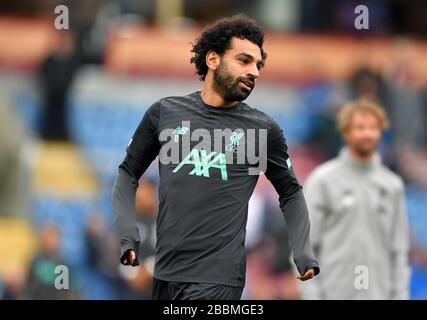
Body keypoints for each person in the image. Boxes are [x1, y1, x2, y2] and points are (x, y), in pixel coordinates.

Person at [112, 15, 319, 300]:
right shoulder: (165, 113)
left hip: (220, 277)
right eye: (244, 61)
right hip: (166, 275)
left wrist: (303, 251)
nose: (254, 72)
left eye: (258, 65)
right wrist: (127, 235)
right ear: (212, 60)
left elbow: (291, 192)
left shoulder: (262, 129)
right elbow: (127, 173)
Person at [300, 99, 410, 299]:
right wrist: (313, 295)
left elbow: (399, 252)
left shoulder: (392, 186)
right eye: (359, 127)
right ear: (346, 132)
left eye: (372, 128)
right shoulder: (323, 181)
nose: (367, 134)